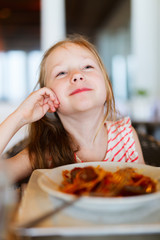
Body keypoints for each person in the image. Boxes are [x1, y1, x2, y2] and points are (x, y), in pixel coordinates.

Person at [0, 35, 145, 183]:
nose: (77, 75)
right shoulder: (47, 151)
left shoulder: (126, 137)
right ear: (48, 97)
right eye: (61, 73)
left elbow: (146, 187)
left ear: (108, 89)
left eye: (87, 67)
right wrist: (20, 116)